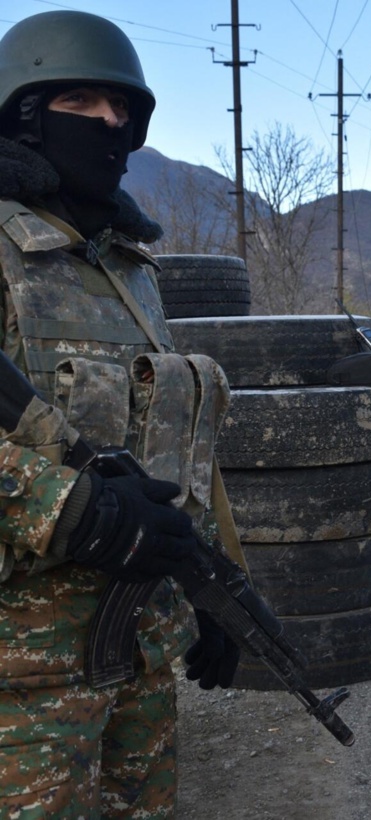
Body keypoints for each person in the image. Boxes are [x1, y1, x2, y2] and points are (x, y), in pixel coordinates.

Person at [0, 11, 239, 817]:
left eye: (122, 111)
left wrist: (212, 592)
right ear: (23, 116)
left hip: (140, 642)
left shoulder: (132, 271)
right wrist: (80, 514)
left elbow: (179, 444)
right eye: (80, 101)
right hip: (22, 678)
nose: (109, 124)